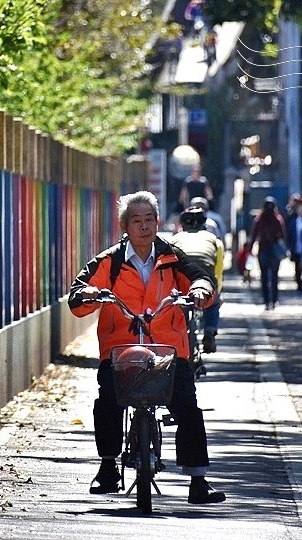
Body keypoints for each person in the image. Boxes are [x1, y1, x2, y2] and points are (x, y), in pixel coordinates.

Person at [68, 190, 225, 504]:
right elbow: (77, 294)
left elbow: (202, 279)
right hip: (120, 351)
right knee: (108, 401)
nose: (144, 226)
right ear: (125, 226)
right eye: (136, 221)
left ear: (158, 221)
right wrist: (90, 295)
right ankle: (108, 466)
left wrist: (197, 290)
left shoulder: (172, 257)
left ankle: (198, 479)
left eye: (149, 219)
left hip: (168, 351)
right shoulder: (108, 262)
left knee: (188, 407)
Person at [171, 206, 225, 353]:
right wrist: (217, 292)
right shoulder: (214, 240)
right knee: (213, 304)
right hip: (206, 279)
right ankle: (209, 331)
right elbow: (218, 269)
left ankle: (176, 334)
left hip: (182, 281)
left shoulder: (175, 239)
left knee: (177, 304)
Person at [247, 196, 287, 310]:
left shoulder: (259, 220)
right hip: (274, 251)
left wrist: (250, 250)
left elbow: (253, 235)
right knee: (274, 277)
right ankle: (274, 300)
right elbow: (283, 235)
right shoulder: (278, 219)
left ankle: (266, 301)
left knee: (264, 276)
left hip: (263, 250)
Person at [285, 198, 302, 294]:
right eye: (300, 210)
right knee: (298, 268)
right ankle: (300, 286)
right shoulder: (294, 222)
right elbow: (289, 235)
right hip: (297, 248)